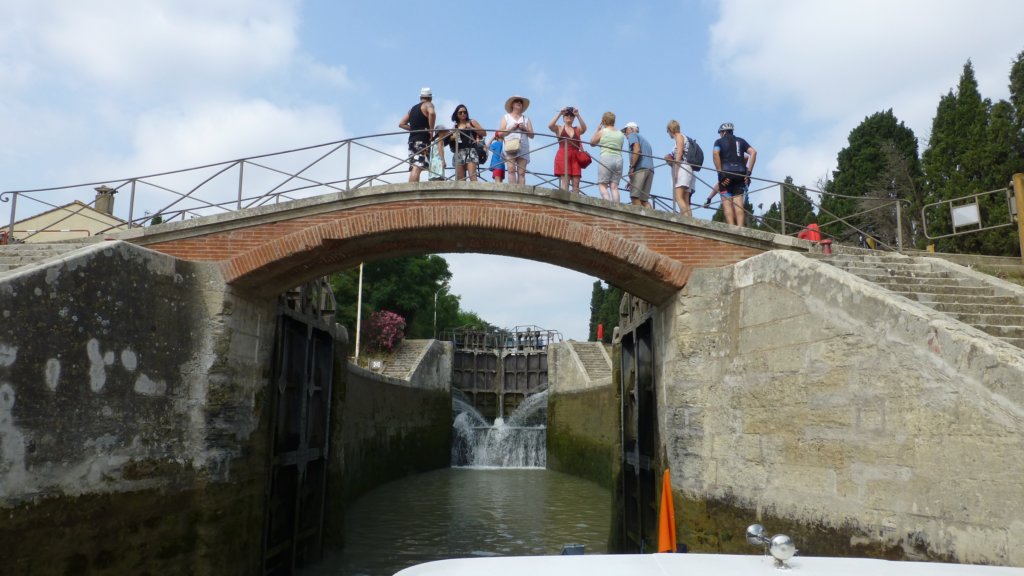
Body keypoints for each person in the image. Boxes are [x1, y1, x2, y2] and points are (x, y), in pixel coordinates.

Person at [712, 122, 757, 227]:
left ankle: (731, 227)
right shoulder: (741, 141)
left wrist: (720, 173)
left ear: (723, 132)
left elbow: (715, 154)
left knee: (727, 204)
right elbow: (753, 152)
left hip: (726, 174)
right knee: (738, 203)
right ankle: (740, 228)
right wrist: (748, 173)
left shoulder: (719, 142)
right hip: (740, 174)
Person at [398, 87, 436, 182]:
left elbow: (401, 124)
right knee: (418, 166)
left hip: (412, 141)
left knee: (414, 166)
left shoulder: (412, 109)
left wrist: (415, 129)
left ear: (420, 97)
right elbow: (432, 113)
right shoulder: (428, 104)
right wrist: (431, 130)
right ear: (430, 98)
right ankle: (412, 190)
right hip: (422, 140)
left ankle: (410, 190)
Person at [548, 106, 588, 194]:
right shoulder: (559, 128)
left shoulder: (577, 129)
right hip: (563, 156)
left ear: (573, 118)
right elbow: (550, 126)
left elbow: (584, 129)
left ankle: (575, 204)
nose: (569, 116)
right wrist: (560, 113)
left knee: (576, 182)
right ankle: (565, 202)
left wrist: (578, 115)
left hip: (575, 157)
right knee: (565, 181)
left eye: (571, 115)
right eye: (566, 115)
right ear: (563, 118)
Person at [498, 95, 534, 185]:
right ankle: (512, 190)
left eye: (520, 102)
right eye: (516, 101)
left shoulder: (526, 119)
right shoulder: (506, 117)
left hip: (523, 146)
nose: (519, 103)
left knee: (522, 173)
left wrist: (525, 128)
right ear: (512, 104)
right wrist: (511, 128)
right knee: (511, 170)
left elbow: (532, 135)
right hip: (510, 145)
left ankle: (521, 192)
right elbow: (500, 133)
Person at [590, 111, 624, 202]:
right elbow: (620, 147)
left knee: (603, 185)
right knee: (614, 187)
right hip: (618, 160)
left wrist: (597, 130)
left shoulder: (603, 131)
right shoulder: (621, 134)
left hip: (606, 158)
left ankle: (607, 204)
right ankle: (617, 207)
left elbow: (592, 143)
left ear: (604, 121)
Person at [449, 104, 486, 181]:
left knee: (472, 176)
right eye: (460, 112)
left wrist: (472, 128)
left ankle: (476, 193)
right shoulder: (455, 126)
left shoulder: (472, 121)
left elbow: (484, 133)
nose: (463, 114)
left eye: (464, 112)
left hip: (470, 151)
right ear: (457, 114)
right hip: (459, 151)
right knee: (460, 179)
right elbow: (449, 138)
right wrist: (452, 137)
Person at [664, 120, 694, 216]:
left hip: (682, 168)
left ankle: (685, 220)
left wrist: (675, 171)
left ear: (670, 129)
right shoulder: (683, 138)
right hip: (687, 168)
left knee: (678, 197)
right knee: (685, 199)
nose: (668, 133)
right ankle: (690, 221)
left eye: (667, 131)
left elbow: (680, 153)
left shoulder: (679, 137)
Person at [622, 122, 654, 207]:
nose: (625, 134)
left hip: (640, 169)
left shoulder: (633, 136)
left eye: (625, 130)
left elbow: (636, 149)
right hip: (650, 170)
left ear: (631, 129)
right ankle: (650, 218)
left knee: (634, 197)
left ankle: (642, 219)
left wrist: (632, 168)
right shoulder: (645, 141)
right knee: (644, 201)